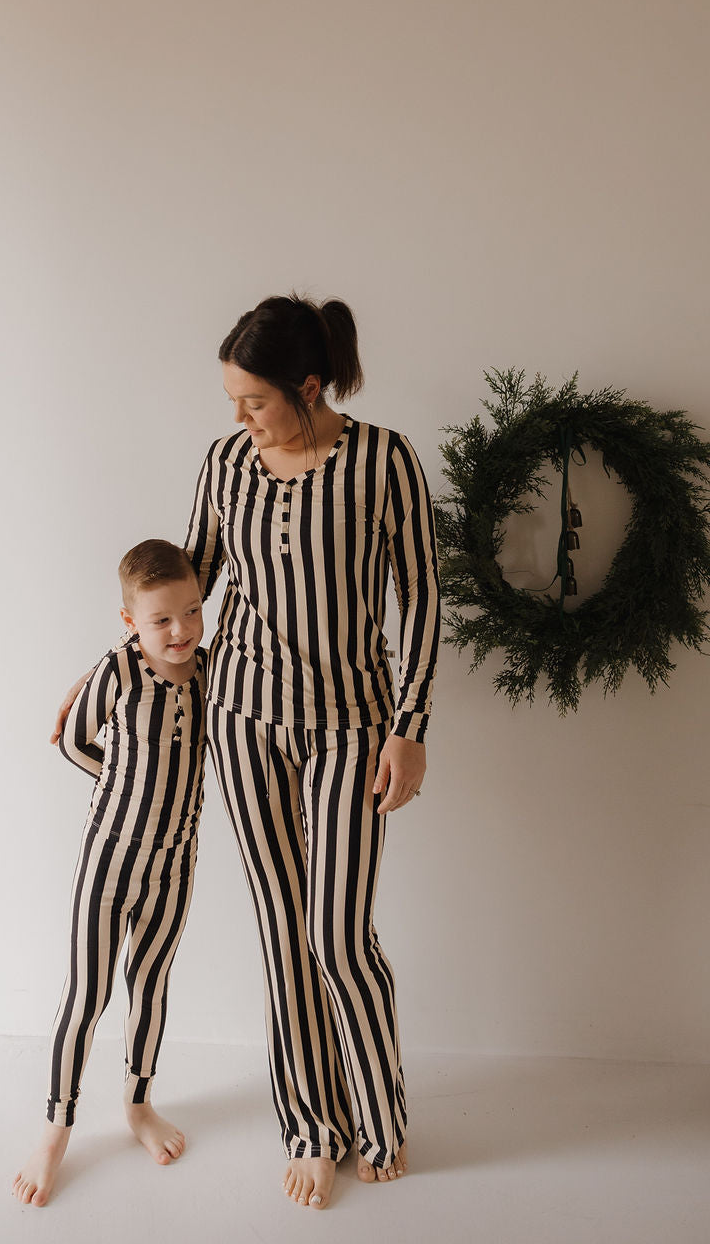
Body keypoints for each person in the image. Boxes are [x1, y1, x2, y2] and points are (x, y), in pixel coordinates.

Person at [184, 293, 440, 1210]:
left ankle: (380, 1113)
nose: (240, 417)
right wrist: (112, 667)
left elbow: (423, 600)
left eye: (253, 400)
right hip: (243, 719)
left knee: (338, 935)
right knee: (282, 931)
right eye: (232, 401)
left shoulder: (384, 460)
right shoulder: (225, 463)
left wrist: (409, 729)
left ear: (308, 384)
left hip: (352, 727)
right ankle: (311, 1127)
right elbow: (189, 583)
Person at [13, 539, 207, 1208]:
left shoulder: (212, 672)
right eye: (161, 620)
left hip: (175, 860)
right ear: (131, 622)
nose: (179, 630)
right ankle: (55, 1129)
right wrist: (124, 783)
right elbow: (72, 740)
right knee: (87, 995)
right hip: (110, 858)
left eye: (191, 611)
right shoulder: (120, 669)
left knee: (149, 986)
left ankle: (138, 1104)